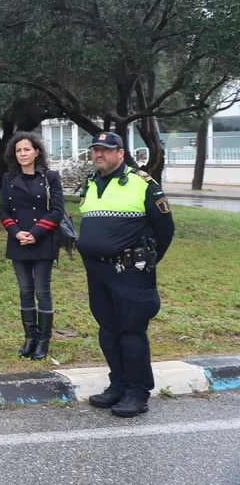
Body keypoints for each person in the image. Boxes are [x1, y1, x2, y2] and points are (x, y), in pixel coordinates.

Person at [77, 132, 175, 418]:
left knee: (131, 331)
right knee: (108, 330)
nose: (99, 154)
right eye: (96, 150)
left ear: (121, 153)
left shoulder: (142, 183)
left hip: (132, 271)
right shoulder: (92, 183)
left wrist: (147, 260)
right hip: (98, 271)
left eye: (106, 150)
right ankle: (118, 385)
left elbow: (165, 229)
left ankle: (137, 392)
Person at [0, 131, 65, 359]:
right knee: (25, 291)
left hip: (42, 240)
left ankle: (43, 342)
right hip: (18, 241)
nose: (22, 154)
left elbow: (57, 210)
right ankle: (30, 338)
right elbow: (3, 210)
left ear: (37, 151)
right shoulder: (8, 179)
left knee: (42, 291)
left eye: (27, 149)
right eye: (18, 150)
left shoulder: (51, 177)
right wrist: (16, 233)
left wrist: (35, 233)